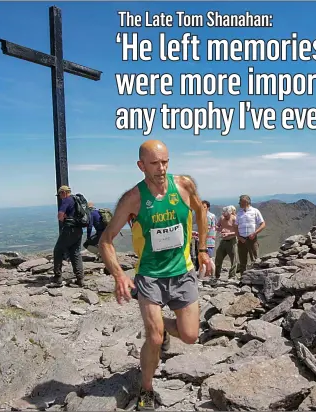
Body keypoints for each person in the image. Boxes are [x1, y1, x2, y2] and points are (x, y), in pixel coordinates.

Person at [99, 140, 212, 411]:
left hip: (183, 272)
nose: (161, 169)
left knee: (190, 336)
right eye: (154, 163)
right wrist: (119, 275)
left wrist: (203, 250)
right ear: (141, 166)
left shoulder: (184, 185)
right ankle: (146, 389)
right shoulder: (133, 199)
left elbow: (200, 210)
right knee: (155, 339)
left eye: (165, 162)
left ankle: (159, 326)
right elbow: (106, 240)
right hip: (150, 276)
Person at [51, 185, 85, 287]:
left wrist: (64, 218)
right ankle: (80, 279)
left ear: (64, 193)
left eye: (60, 195)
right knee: (75, 253)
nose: (60, 197)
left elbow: (60, 216)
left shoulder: (66, 200)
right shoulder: (77, 200)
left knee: (58, 251)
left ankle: (58, 278)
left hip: (69, 230)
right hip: (78, 230)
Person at [235, 195, 266, 274]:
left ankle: (256, 278)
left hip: (252, 239)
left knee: (255, 260)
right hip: (241, 240)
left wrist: (255, 233)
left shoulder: (255, 211)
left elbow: (263, 224)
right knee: (242, 261)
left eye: (240, 202)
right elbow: (235, 227)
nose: (239, 203)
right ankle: (243, 279)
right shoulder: (239, 213)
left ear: (246, 202)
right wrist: (239, 237)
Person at [214, 205, 238, 280]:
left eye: (227, 215)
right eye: (224, 215)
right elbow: (217, 226)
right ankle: (217, 275)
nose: (225, 216)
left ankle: (232, 276)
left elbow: (238, 232)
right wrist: (220, 229)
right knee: (218, 257)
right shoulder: (222, 218)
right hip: (223, 241)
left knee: (233, 259)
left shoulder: (234, 219)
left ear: (230, 213)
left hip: (232, 240)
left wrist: (228, 233)